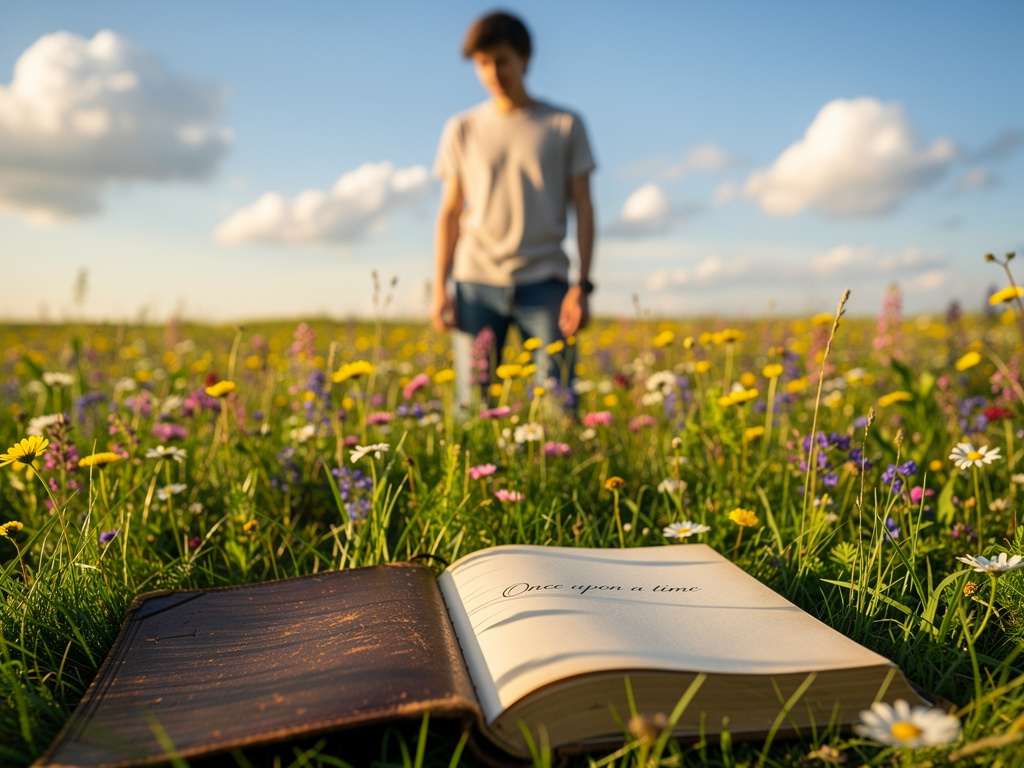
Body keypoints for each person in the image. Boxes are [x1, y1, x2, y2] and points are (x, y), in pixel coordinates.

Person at [431, 10, 596, 413]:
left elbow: (584, 207)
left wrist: (582, 285)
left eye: (501, 60)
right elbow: (450, 211)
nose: (493, 73)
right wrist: (439, 287)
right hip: (475, 282)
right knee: (473, 408)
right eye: (483, 63)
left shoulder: (564, 125)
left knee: (558, 405)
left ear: (525, 58)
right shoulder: (462, 128)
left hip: (546, 282)